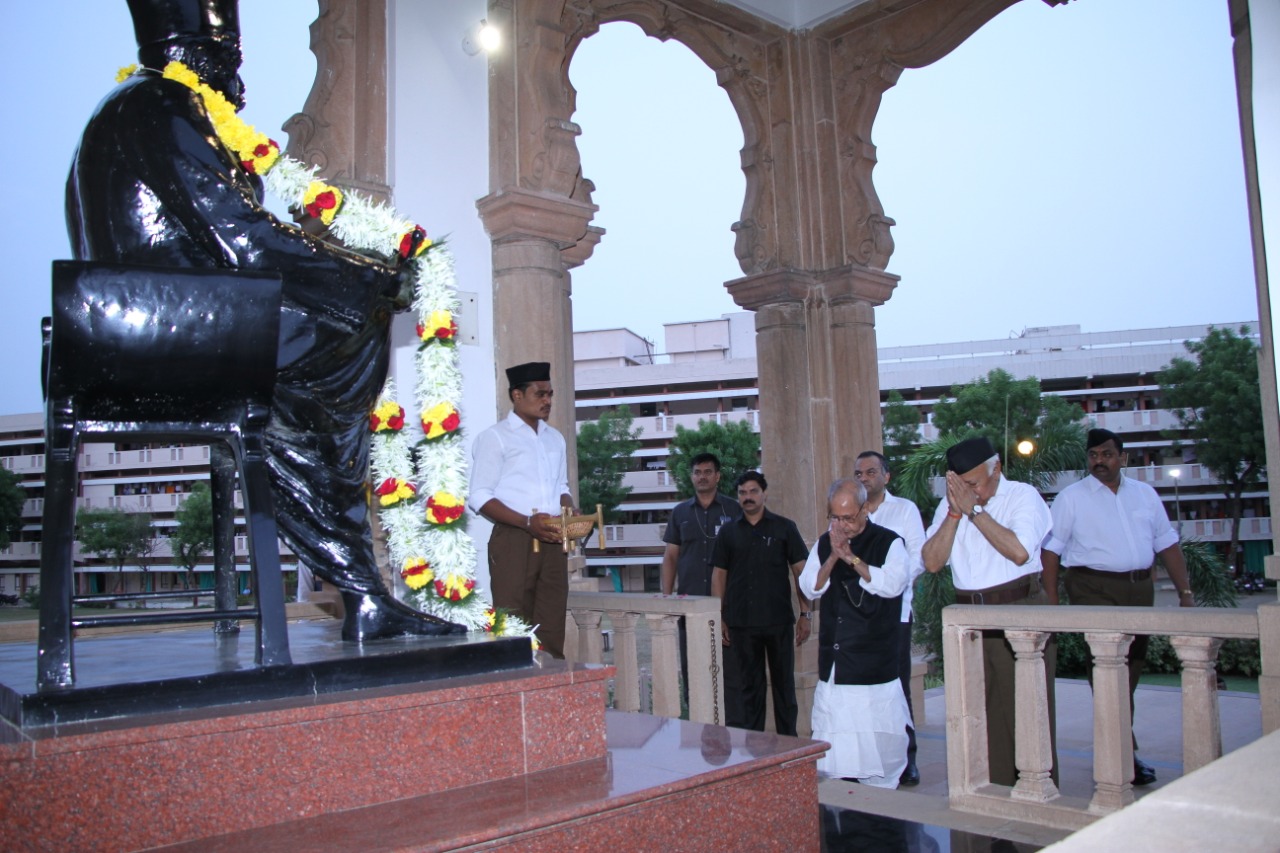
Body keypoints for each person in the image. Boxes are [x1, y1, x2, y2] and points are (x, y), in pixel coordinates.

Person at [66, 0, 464, 641]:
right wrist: (366, 275)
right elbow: (246, 240)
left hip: (153, 321)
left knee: (330, 355)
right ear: (195, 54)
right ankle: (361, 586)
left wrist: (352, 273)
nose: (239, 85)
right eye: (229, 63)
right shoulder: (165, 106)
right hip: (168, 325)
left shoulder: (135, 107)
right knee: (346, 343)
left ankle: (361, 586)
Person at [1041, 428, 1194, 786]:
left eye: (1107, 454)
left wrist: (1186, 592)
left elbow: (1167, 544)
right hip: (1093, 588)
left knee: (1131, 672)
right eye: (1093, 455)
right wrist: (1052, 602)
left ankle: (1122, 747)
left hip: (1139, 589)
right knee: (1108, 673)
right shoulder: (1072, 498)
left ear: (1122, 458)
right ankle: (1123, 754)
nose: (1100, 461)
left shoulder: (1145, 495)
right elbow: (1051, 551)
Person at [921, 436, 1057, 787]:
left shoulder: (1023, 497)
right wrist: (954, 512)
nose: (970, 492)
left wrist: (974, 511)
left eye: (974, 484)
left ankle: (1038, 795)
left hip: (1019, 611)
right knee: (981, 716)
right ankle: (994, 797)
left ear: (997, 469)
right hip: (970, 621)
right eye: (961, 485)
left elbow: (1019, 551)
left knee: (1027, 714)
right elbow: (932, 562)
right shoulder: (952, 506)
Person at [800, 478, 911, 786]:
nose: (841, 524)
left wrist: (851, 557)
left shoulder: (890, 542)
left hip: (873, 666)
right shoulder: (825, 543)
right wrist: (835, 555)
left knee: (879, 754)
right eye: (835, 517)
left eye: (848, 517)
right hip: (837, 666)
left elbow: (892, 584)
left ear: (865, 509)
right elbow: (810, 586)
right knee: (834, 755)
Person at [469, 362, 575, 658]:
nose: (548, 401)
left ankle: (549, 691)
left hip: (554, 540)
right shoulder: (496, 437)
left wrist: (570, 510)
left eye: (550, 394)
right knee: (512, 622)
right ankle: (514, 691)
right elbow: (478, 496)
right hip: (514, 539)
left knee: (552, 621)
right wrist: (528, 522)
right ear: (517, 395)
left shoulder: (555, 438)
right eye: (540, 394)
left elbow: (562, 487)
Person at [711, 471, 810, 735]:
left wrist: (805, 614)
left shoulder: (784, 528)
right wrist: (719, 616)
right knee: (750, 690)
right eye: (743, 492)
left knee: (784, 687)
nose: (748, 497)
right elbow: (718, 575)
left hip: (778, 621)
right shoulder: (729, 532)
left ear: (764, 494)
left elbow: (801, 572)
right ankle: (755, 751)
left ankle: (789, 744)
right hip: (742, 624)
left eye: (753, 491)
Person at [854, 450, 927, 786]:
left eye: (871, 472)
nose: (864, 478)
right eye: (859, 474)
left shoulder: (904, 511)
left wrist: (885, 586)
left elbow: (918, 559)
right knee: (861, 690)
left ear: (886, 476)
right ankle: (867, 759)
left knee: (896, 688)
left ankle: (906, 760)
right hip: (856, 616)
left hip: (893, 613)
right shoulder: (848, 512)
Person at [661, 452, 742, 705]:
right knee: (693, 667)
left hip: (727, 604)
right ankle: (697, 718)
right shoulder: (680, 512)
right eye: (697, 472)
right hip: (690, 603)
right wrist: (666, 598)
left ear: (717, 476)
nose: (702, 477)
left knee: (730, 668)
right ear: (691, 477)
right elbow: (671, 556)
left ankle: (732, 720)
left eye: (708, 472)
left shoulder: (733, 509)